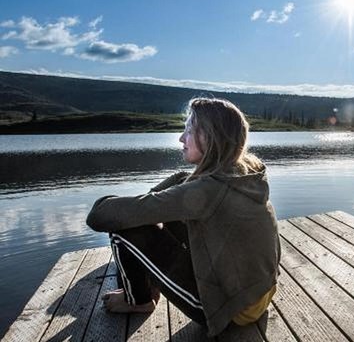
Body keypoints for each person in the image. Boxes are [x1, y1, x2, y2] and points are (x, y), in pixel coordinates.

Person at [86, 97, 280, 337]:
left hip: (231, 310)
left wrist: (138, 207)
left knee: (123, 230)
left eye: (188, 130)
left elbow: (98, 216)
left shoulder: (207, 191)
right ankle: (148, 285)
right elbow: (166, 199)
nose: (181, 138)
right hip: (259, 294)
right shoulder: (245, 174)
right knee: (170, 196)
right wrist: (169, 189)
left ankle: (138, 299)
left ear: (209, 137)